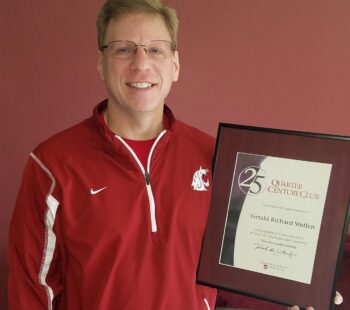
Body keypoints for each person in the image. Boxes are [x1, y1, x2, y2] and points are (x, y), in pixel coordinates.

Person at [7, 0, 344, 309]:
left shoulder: (216, 158)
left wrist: (295, 297)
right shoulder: (52, 165)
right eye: (123, 49)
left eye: (155, 49)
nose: (141, 64)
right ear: (101, 63)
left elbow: (236, 275)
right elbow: (32, 290)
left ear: (176, 64)